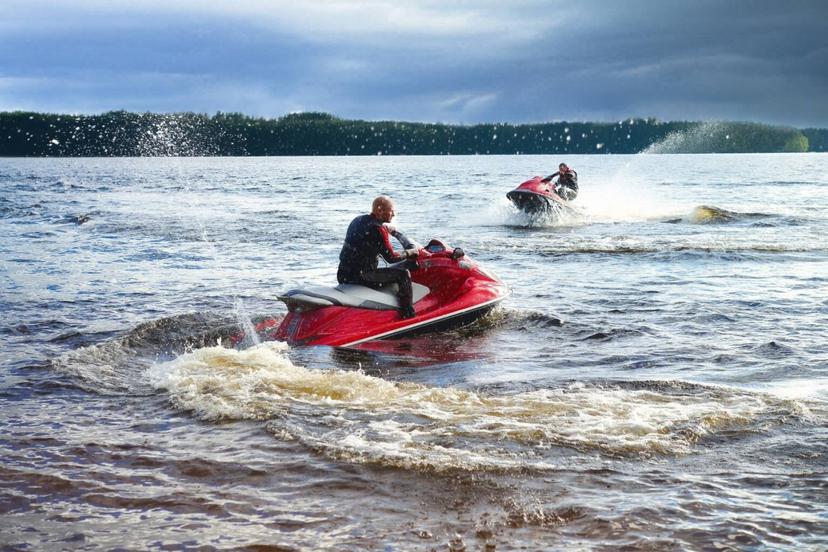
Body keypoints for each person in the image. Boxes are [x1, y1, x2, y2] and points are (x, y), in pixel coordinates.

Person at [337, 195, 419, 319]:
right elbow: (391, 258)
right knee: (403, 274)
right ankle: (407, 313)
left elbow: (365, 242)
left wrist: (389, 231)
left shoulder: (357, 220)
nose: (394, 214)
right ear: (380, 210)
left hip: (343, 275)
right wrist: (409, 253)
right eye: (391, 211)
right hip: (361, 276)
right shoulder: (378, 229)